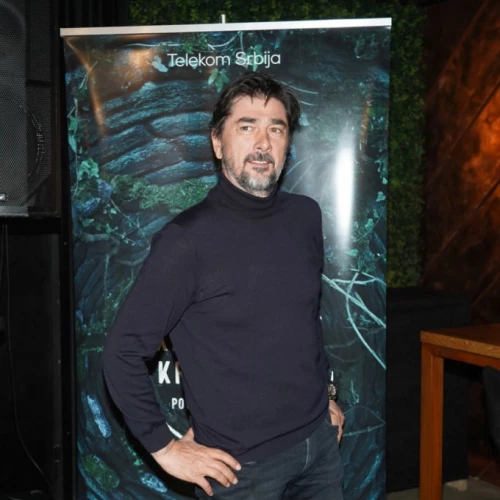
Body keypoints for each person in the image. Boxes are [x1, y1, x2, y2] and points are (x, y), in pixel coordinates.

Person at [102, 72, 345, 499]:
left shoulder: (305, 216)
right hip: (240, 470)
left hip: (320, 449)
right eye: (246, 127)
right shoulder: (186, 242)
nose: (263, 143)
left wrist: (325, 395)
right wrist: (165, 448)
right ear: (217, 142)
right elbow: (121, 353)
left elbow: (306, 321)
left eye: (276, 129)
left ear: (287, 142)